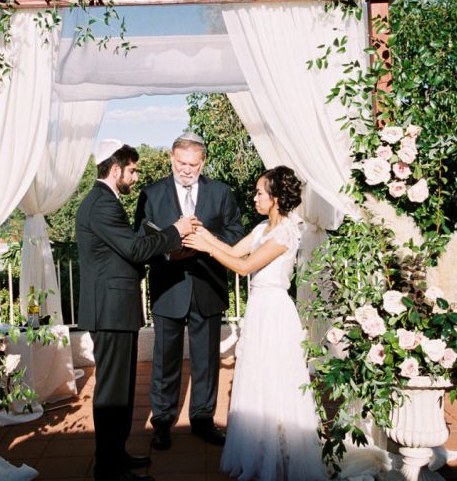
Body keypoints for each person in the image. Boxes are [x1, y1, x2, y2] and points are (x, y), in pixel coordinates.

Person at [182, 165, 327, 481]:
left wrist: (207, 248)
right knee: (257, 375)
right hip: (259, 309)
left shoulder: (286, 233)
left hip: (275, 311)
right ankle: (262, 449)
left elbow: (244, 266)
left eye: (260, 193)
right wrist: (204, 234)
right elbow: (234, 250)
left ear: (276, 198)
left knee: (276, 376)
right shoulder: (262, 228)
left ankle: (282, 451)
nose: (255, 198)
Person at [76, 139, 197, 481]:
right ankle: (109, 469)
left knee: (120, 391)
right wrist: (176, 231)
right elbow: (133, 249)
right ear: (115, 170)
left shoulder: (104, 201)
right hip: (110, 310)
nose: (135, 176)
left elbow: (122, 251)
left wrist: (161, 245)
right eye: (132, 170)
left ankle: (116, 455)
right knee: (112, 396)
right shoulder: (102, 204)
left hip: (115, 309)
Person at [134, 132, 245, 450]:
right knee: (164, 360)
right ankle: (162, 422)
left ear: (203, 162)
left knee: (206, 360)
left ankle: (203, 420)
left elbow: (236, 233)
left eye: (193, 165)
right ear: (171, 157)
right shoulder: (151, 194)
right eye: (181, 163)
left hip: (208, 286)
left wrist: (205, 240)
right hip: (168, 287)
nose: (186, 169)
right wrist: (169, 251)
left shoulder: (221, 192)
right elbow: (140, 239)